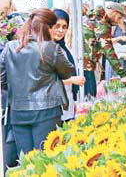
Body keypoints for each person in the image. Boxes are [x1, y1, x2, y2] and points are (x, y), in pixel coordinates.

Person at [0, 8, 74, 155]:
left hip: (18, 111)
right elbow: (67, 72)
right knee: (46, 158)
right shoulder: (51, 48)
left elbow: (3, 79)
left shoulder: (10, 47)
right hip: (47, 110)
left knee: (26, 159)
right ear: (48, 27)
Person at [83, 3, 126, 97]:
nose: (118, 22)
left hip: (83, 60)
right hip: (86, 63)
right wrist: (122, 74)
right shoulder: (103, 24)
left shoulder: (95, 17)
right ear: (114, 12)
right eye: (119, 18)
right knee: (90, 96)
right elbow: (108, 49)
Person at [52, 9, 86, 121]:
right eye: (57, 26)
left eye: (64, 27)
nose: (60, 30)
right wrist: (72, 80)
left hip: (67, 105)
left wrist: (73, 101)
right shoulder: (46, 50)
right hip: (53, 109)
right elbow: (46, 82)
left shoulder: (63, 48)